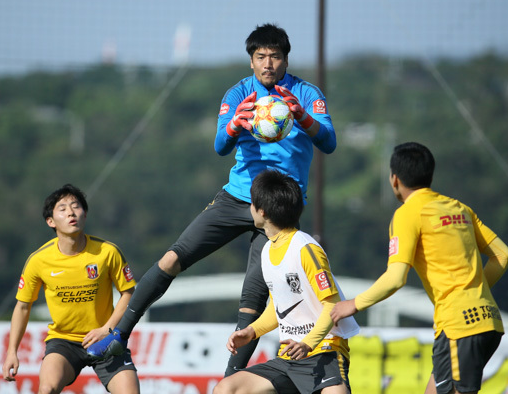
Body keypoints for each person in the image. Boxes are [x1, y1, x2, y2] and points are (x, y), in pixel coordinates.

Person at [87, 23, 337, 376]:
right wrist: (236, 125)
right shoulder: (238, 94)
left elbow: (329, 142)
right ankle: (119, 335)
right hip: (238, 197)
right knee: (173, 258)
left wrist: (303, 118)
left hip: (280, 205)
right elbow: (221, 146)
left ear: (286, 59)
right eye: (261, 56)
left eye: (276, 57)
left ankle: (231, 379)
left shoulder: (306, 93)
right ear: (251, 60)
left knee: (254, 295)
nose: (268, 64)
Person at [330, 142, 508, 394]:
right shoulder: (459, 208)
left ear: (394, 179)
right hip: (488, 320)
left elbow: (395, 277)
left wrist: (353, 304)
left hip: (459, 326)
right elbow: (504, 256)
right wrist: (473, 289)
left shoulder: (407, 214)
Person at [213, 169, 360, 394]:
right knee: (227, 389)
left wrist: (308, 343)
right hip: (289, 359)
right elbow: (279, 308)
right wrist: (251, 332)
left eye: (251, 203)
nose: (250, 208)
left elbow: (333, 306)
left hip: (324, 352)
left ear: (261, 211)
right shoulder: (267, 251)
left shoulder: (305, 248)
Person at [2, 184, 140, 393]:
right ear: (50, 221)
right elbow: (22, 307)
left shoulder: (108, 252)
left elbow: (129, 293)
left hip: (106, 339)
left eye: (76, 206)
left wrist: (107, 329)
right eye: (63, 208)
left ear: (85, 214)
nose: (71, 212)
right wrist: (12, 352)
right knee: (47, 389)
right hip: (63, 342)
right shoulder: (39, 260)